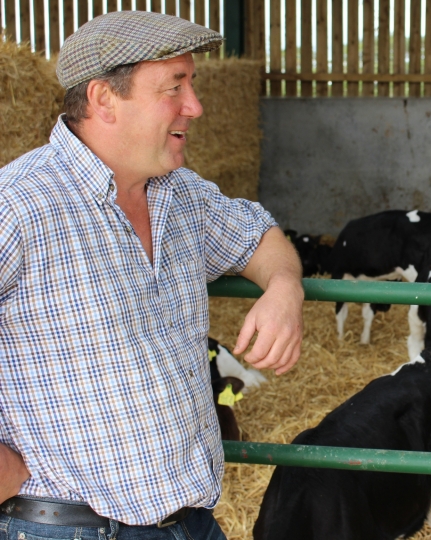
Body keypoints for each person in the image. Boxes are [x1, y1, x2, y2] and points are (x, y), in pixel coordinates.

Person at [0, 10, 304, 539]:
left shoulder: (180, 195)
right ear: (103, 100)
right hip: (70, 526)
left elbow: (258, 234)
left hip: (193, 523)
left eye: (194, 84)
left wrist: (284, 288)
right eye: (175, 87)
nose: (197, 106)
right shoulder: (20, 206)